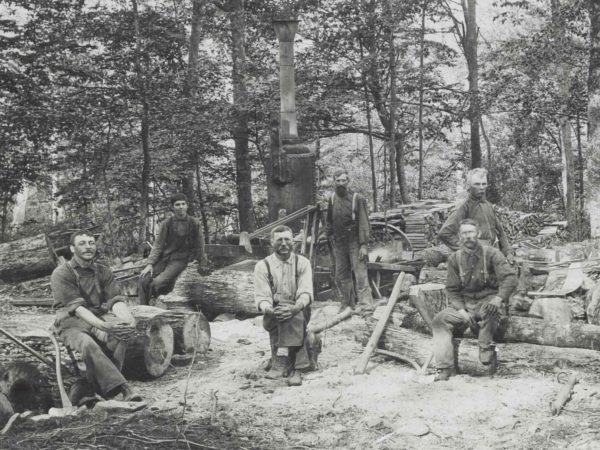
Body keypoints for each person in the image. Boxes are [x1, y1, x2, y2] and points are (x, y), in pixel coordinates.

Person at [51, 230, 141, 402]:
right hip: (71, 322)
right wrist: (104, 326)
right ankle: (124, 388)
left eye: (91, 243)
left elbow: (115, 300)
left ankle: (95, 388)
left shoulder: (103, 271)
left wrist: (128, 320)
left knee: (122, 334)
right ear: (72, 248)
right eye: (82, 244)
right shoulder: (61, 273)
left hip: (97, 318)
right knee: (88, 344)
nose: (88, 247)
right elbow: (78, 309)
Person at [432, 219, 517, 381]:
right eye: (464, 233)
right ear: (459, 237)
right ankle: (445, 367)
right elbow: (452, 290)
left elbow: (510, 278)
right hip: (466, 305)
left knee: (491, 311)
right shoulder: (454, 259)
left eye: (471, 232)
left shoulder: (491, 253)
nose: (468, 236)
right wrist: (462, 312)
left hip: (488, 303)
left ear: (477, 234)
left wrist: (498, 299)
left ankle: (485, 345)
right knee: (439, 320)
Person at [254, 225, 313, 387]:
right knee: (284, 311)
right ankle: (297, 366)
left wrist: (294, 308)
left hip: (299, 311)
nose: (284, 243)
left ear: (293, 241)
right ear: (272, 242)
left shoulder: (303, 263)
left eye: (287, 239)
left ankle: (284, 362)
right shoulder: (262, 266)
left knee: (295, 314)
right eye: (279, 240)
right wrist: (272, 310)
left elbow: (306, 293)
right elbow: (262, 298)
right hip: (273, 316)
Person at [138, 193, 210, 305]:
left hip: (181, 260)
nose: (181, 207)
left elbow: (200, 246)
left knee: (157, 283)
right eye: (177, 204)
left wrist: (202, 263)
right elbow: (158, 245)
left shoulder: (194, 223)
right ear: (172, 207)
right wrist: (150, 264)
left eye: (183, 204)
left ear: (187, 205)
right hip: (165, 259)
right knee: (143, 280)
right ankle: (142, 309)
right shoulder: (167, 223)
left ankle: (156, 307)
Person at [325, 169, 374, 313]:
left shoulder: (357, 199)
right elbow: (329, 220)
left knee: (360, 275)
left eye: (343, 180)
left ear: (348, 181)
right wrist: (327, 235)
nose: (341, 183)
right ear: (334, 182)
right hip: (339, 243)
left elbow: (364, 223)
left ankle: (366, 307)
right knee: (341, 275)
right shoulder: (332, 198)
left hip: (354, 241)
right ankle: (347, 305)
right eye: (338, 181)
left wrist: (364, 245)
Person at [438, 168, 513, 259]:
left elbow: (500, 232)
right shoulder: (464, 207)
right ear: (468, 186)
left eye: (484, 184)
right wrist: (467, 249)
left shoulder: (488, 206)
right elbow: (445, 233)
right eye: (477, 184)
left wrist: (508, 252)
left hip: (492, 254)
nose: (481, 187)